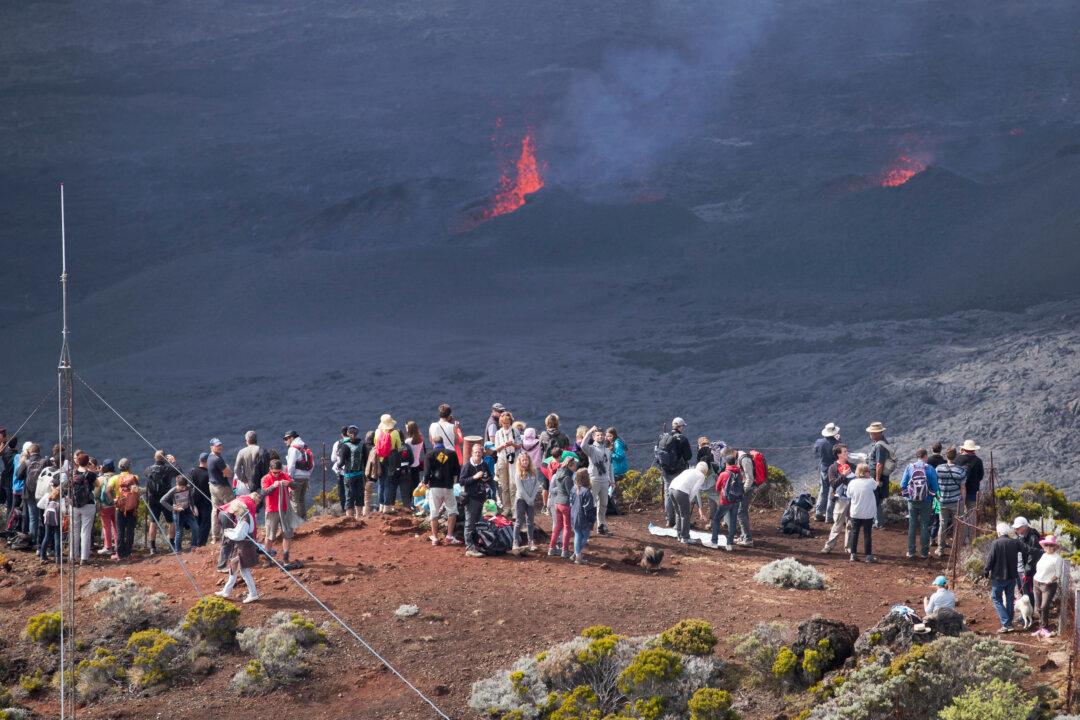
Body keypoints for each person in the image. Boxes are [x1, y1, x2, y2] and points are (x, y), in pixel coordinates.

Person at [985, 521, 1031, 633]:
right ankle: (1009, 622)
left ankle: (1006, 623)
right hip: (1011, 577)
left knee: (997, 599)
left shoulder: (996, 543)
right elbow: (1028, 549)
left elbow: (990, 559)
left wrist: (986, 570)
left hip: (998, 577)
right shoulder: (1014, 542)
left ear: (999, 532)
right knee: (1010, 599)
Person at [215, 497, 260, 604]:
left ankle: (253, 594)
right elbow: (238, 532)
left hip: (245, 549)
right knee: (233, 568)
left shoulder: (244, 520)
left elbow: (239, 536)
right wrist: (231, 531)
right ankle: (226, 591)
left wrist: (228, 533)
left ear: (238, 510)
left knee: (245, 572)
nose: (233, 514)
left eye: (234, 512)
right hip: (241, 547)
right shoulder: (244, 516)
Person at [900, 448, 940, 559]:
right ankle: (924, 553)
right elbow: (935, 488)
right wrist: (930, 497)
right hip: (926, 502)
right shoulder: (930, 468)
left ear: (917, 456)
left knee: (912, 526)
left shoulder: (910, 467)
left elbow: (903, 485)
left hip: (912, 502)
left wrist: (909, 496)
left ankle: (911, 552)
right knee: (924, 526)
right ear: (925, 456)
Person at [424, 436, 461, 546]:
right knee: (452, 511)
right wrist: (453, 483)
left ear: (432, 442)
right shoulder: (452, 453)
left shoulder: (429, 455)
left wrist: (425, 483)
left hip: (435, 487)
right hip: (448, 486)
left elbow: (426, 474)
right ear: (442, 442)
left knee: (434, 512)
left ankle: (435, 538)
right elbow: (457, 471)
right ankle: (449, 536)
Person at [657, 417, 693, 528]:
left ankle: (669, 520)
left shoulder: (663, 437)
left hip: (666, 471)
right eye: (683, 426)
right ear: (680, 426)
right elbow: (688, 456)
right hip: (679, 472)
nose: (683, 428)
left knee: (668, 494)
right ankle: (680, 521)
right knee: (679, 494)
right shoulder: (683, 439)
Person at [460, 442, 493, 558]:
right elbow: (462, 481)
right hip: (471, 498)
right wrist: (474, 477)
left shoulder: (484, 464)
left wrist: (486, 479)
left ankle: (475, 545)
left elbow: (489, 477)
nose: (478, 454)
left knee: (478, 523)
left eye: (479, 452)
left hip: (482, 497)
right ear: (472, 453)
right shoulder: (467, 466)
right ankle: (469, 548)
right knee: (469, 523)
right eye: (476, 452)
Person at [580, 426, 613, 535]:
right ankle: (586, 527)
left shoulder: (608, 450)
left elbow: (610, 466)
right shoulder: (591, 449)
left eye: (602, 435)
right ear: (594, 437)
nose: (600, 436)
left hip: (604, 481)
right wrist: (589, 432)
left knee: (603, 504)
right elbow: (582, 445)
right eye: (598, 435)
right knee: (590, 505)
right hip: (594, 480)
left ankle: (601, 526)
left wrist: (612, 480)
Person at [822, 445, 855, 554]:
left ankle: (848, 548)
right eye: (844, 451)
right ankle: (828, 546)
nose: (847, 453)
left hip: (852, 498)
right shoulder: (833, 468)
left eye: (846, 451)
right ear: (838, 454)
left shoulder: (852, 466)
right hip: (841, 499)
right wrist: (844, 475)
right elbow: (833, 483)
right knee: (838, 523)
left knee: (851, 524)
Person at [261, 458, 294, 565]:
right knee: (270, 535)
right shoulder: (265, 478)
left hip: (284, 509)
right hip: (272, 510)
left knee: (287, 534)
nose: (276, 475)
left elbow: (295, 485)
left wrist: (289, 484)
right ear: (270, 469)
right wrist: (273, 487)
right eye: (274, 472)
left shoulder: (284, 475)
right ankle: (267, 559)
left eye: (278, 472)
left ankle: (286, 557)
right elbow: (264, 493)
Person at [933, 447, 966, 556]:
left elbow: (934, 484)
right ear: (956, 457)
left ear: (946, 456)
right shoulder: (961, 471)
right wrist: (963, 501)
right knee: (958, 526)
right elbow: (962, 488)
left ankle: (940, 550)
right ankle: (957, 550)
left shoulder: (939, 469)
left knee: (942, 525)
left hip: (942, 501)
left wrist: (937, 497)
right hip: (956, 502)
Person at [66, 452, 97, 564]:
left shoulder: (71, 473)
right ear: (87, 462)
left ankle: (72, 557)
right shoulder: (91, 475)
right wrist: (92, 469)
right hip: (88, 504)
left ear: (77, 462)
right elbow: (97, 484)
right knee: (86, 532)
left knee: (74, 531)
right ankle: (84, 558)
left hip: (74, 505)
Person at [1033, 535, 1065, 638]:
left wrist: (1050, 580)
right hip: (1037, 582)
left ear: (1055, 547)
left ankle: (1045, 628)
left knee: (1044, 606)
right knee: (1038, 607)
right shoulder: (1044, 555)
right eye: (1046, 545)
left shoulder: (1057, 558)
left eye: (1051, 545)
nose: (1048, 547)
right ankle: (1041, 628)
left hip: (1048, 585)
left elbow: (1058, 573)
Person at [670, 461, 709, 544]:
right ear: (705, 470)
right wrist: (689, 500)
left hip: (671, 489)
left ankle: (679, 535)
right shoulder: (701, 476)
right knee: (685, 515)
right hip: (681, 492)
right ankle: (685, 537)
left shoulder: (688, 470)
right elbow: (695, 490)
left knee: (678, 513)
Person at [846, 463, 878, 563]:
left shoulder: (852, 483)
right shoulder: (871, 482)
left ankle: (853, 555)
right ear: (865, 472)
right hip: (868, 513)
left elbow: (848, 495)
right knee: (867, 534)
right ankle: (868, 556)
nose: (870, 473)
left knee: (855, 533)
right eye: (869, 471)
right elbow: (876, 487)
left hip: (855, 512)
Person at [547, 453, 577, 558]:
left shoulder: (559, 473)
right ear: (569, 465)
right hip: (565, 504)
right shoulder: (568, 477)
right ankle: (564, 550)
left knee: (558, 527)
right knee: (567, 528)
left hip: (557, 503)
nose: (575, 467)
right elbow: (570, 492)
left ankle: (551, 548)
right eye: (574, 465)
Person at [160, 476, 200, 552]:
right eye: (181, 487)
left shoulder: (188, 488)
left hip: (187, 510)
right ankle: (178, 550)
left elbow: (190, 497)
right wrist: (173, 508)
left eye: (184, 487)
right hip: (178, 513)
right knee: (179, 531)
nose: (183, 489)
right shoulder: (173, 490)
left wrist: (192, 507)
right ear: (176, 484)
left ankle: (194, 546)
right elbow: (162, 500)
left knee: (195, 527)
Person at [493, 412, 522, 518]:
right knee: (504, 486)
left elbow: (519, 445)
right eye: (504, 423)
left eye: (507, 423)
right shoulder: (498, 433)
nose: (506, 425)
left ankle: (514, 510)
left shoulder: (515, 431)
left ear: (510, 422)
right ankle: (506, 508)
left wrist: (512, 444)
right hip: (502, 459)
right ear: (501, 422)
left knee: (513, 485)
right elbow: (496, 448)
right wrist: (503, 445)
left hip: (513, 459)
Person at [711, 454, 742, 551]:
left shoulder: (724, 474)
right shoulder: (739, 474)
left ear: (727, 463)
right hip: (736, 500)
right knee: (733, 522)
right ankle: (729, 545)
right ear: (735, 463)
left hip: (725, 501)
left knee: (716, 520)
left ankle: (714, 542)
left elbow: (717, 488)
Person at [866, 422, 894, 529]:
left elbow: (879, 464)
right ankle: (877, 521)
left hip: (877, 476)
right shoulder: (882, 444)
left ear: (877, 433)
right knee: (876, 498)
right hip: (880, 476)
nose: (870, 435)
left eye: (872, 433)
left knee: (875, 498)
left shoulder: (879, 446)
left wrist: (877, 479)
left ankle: (878, 522)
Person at [111, 459, 140, 560]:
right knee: (130, 530)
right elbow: (136, 493)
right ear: (129, 467)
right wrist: (136, 506)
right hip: (131, 507)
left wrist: (113, 500)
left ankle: (120, 553)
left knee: (120, 531)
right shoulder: (134, 477)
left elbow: (107, 490)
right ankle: (128, 553)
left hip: (120, 507)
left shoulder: (115, 478)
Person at [337, 426, 367, 518]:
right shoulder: (362, 445)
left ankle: (349, 518)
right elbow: (365, 460)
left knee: (349, 495)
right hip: (360, 474)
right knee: (359, 494)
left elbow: (341, 463)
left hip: (349, 475)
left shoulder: (345, 446)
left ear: (348, 434)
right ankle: (359, 516)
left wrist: (338, 466)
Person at [206, 439, 233, 544]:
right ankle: (229, 533)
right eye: (217, 446)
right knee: (229, 508)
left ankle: (215, 536)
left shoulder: (209, 457)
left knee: (215, 510)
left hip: (212, 486)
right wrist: (227, 469)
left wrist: (224, 471)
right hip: (222, 487)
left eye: (220, 445)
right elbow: (229, 473)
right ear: (211, 447)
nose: (220, 447)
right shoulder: (218, 459)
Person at [814, 423, 841, 522]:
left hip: (823, 468)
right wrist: (838, 440)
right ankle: (829, 516)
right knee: (832, 491)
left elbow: (816, 452)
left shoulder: (819, 442)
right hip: (834, 469)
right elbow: (840, 453)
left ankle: (819, 512)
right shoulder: (836, 444)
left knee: (823, 489)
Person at [513, 453, 540, 551]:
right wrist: (528, 499)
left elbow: (537, 484)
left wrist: (532, 498)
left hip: (531, 500)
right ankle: (515, 541)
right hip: (521, 500)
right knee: (519, 521)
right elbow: (520, 489)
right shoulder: (517, 473)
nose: (525, 462)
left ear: (529, 461)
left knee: (530, 522)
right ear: (520, 462)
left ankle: (531, 541)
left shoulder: (534, 471)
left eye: (526, 460)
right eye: (523, 460)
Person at [283, 430, 312, 519]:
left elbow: (291, 465)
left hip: (296, 478)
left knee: (294, 501)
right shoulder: (305, 447)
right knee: (301, 500)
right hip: (306, 477)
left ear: (291, 438)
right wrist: (308, 475)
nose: (285, 441)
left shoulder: (293, 449)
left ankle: (296, 524)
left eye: (286, 438)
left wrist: (289, 478)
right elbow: (312, 463)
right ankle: (303, 520)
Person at [234, 431, 270, 502]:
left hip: (249, 484)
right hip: (262, 482)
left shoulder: (242, 452)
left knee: (250, 504)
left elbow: (236, 469)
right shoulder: (263, 450)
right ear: (256, 439)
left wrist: (243, 480)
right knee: (263, 503)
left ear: (247, 440)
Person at [1013, 516, 1042, 604]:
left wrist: (1027, 571)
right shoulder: (1021, 536)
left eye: (1018, 528)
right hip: (1021, 568)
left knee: (1027, 592)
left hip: (1027, 570)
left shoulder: (1033, 538)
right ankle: (1025, 614)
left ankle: (1030, 614)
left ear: (1024, 527)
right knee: (1022, 591)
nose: (1016, 529)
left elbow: (1033, 556)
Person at [570, 469, 596, 565]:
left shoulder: (573, 488)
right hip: (584, 518)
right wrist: (591, 520)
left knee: (577, 535)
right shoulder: (586, 492)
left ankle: (576, 555)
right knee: (585, 536)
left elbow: (571, 503)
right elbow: (588, 508)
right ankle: (577, 555)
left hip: (573, 516)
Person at [189, 453, 213, 546]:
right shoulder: (209, 474)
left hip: (194, 501)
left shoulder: (192, 471)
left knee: (196, 523)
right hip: (206, 501)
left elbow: (189, 485)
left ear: (200, 460)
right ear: (208, 461)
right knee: (206, 523)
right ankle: (201, 544)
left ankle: (194, 543)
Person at [96, 459, 118, 556]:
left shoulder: (100, 479)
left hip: (104, 506)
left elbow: (96, 493)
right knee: (116, 526)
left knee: (106, 527)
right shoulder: (117, 477)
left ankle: (108, 547)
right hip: (116, 505)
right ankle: (118, 545)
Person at [955, 439, 984, 510]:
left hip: (958, 490)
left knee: (958, 513)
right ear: (974, 450)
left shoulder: (957, 459)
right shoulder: (978, 461)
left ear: (964, 448)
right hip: (973, 490)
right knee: (972, 513)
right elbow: (981, 476)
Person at [402, 421, 426, 509]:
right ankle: (418, 504)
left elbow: (402, 450)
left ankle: (409, 505)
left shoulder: (408, 441)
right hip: (417, 464)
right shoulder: (420, 439)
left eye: (407, 428)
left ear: (410, 429)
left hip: (410, 466)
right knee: (416, 484)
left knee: (408, 486)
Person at [39, 486, 64, 563]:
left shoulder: (47, 495)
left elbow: (39, 505)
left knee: (46, 537)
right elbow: (64, 510)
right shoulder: (61, 498)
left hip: (48, 520)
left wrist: (46, 507)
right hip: (57, 520)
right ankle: (58, 558)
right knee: (57, 537)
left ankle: (42, 556)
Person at [330, 426, 349, 512]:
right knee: (351, 489)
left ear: (342, 434)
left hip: (341, 470)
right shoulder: (355, 442)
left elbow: (333, 459)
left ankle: (344, 509)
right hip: (353, 470)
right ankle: (352, 509)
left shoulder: (337, 443)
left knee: (342, 490)